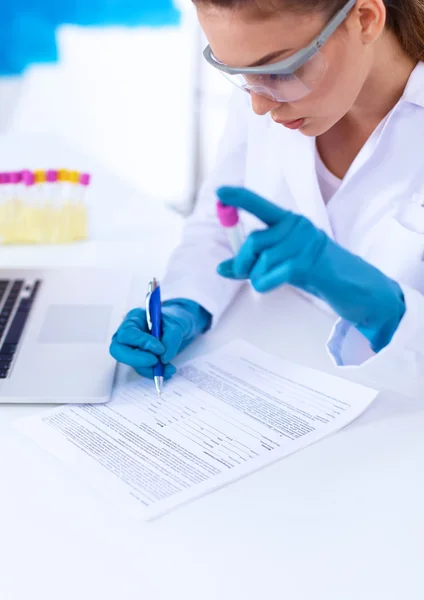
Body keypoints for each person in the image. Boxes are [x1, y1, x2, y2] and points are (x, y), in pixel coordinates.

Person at [110, 0, 424, 392]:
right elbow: (219, 224)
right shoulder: (266, 91)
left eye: (281, 69)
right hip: (276, 375)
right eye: (239, 73)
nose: (259, 105)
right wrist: (183, 304)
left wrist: (386, 309)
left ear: (364, 19)